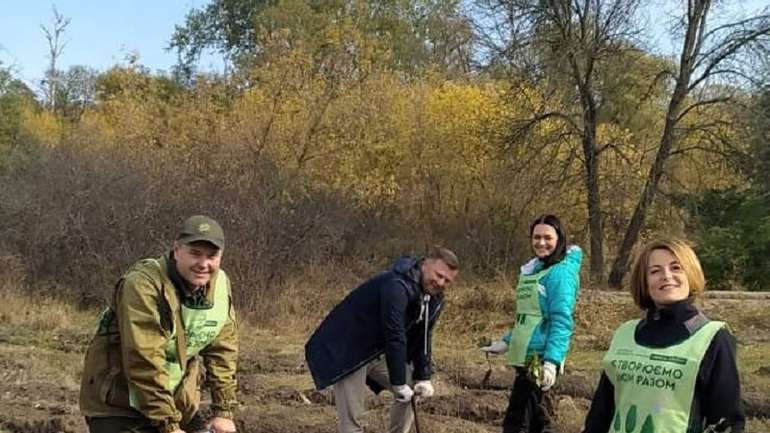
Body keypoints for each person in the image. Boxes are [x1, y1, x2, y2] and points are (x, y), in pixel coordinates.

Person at [80, 215, 239, 433]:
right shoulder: (143, 285)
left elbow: (223, 352)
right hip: (120, 401)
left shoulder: (220, 285)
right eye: (194, 254)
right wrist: (169, 426)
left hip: (176, 399)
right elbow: (144, 360)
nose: (203, 264)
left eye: (212, 256)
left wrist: (223, 412)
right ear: (176, 250)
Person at [580, 238, 744, 433]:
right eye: (655, 271)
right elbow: (601, 411)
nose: (666, 276)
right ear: (644, 281)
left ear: (690, 273)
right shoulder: (625, 333)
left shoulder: (713, 338)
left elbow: (727, 422)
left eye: (676, 268)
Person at [305, 246, 460, 433]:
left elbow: (424, 335)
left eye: (447, 281)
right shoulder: (396, 285)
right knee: (352, 422)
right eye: (439, 275)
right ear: (425, 264)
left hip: (375, 351)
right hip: (347, 348)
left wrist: (423, 376)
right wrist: (398, 382)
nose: (441, 282)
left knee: (413, 390)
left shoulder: (433, 298)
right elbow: (395, 334)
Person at [481, 214, 583, 433]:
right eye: (536, 237)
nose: (541, 243)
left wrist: (551, 362)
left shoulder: (560, 274)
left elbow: (561, 321)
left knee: (518, 425)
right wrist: (506, 342)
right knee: (534, 423)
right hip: (524, 358)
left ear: (560, 239)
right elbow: (530, 317)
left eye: (548, 237)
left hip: (538, 364)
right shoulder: (535, 270)